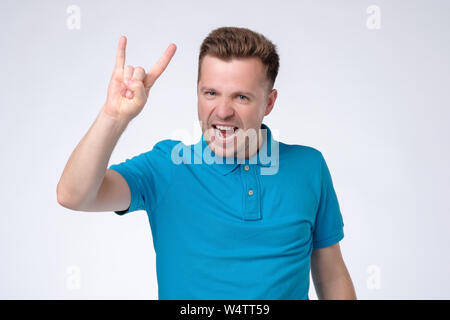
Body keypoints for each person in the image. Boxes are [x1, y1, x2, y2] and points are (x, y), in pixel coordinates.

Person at [57, 27, 356, 300]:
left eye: (241, 97)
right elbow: (74, 195)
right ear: (197, 92)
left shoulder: (309, 167)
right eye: (211, 93)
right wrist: (114, 116)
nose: (222, 111)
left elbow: (331, 277)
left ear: (269, 102)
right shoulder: (167, 167)